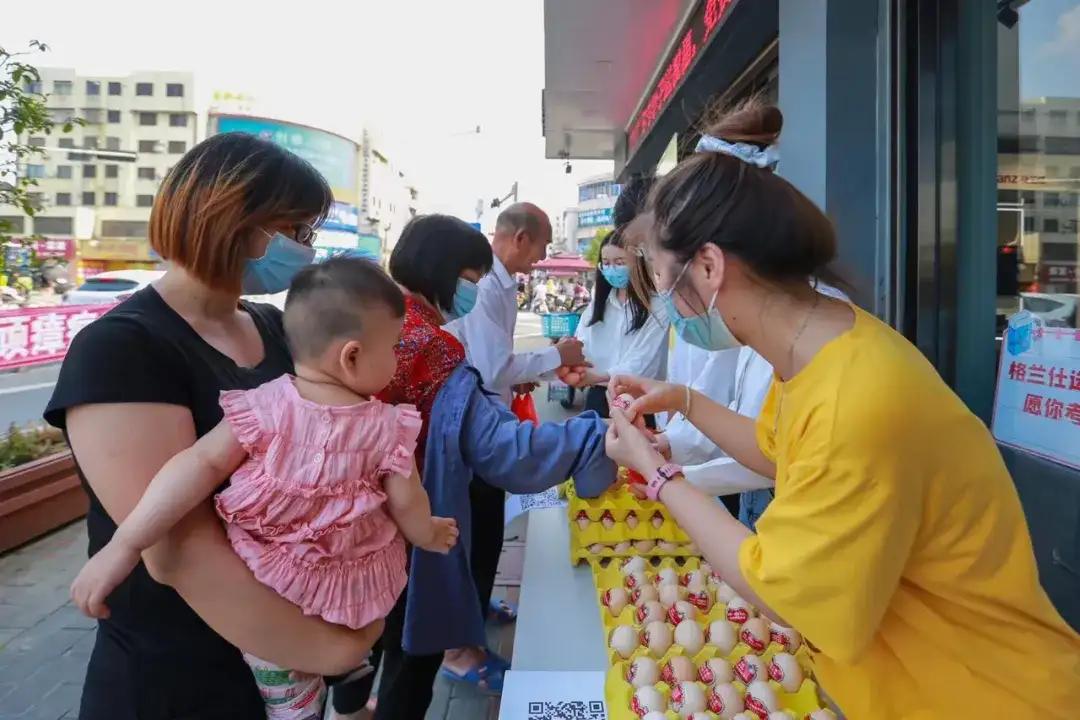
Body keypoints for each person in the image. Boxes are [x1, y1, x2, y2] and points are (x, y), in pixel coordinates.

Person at [603, 98, 1080, 718]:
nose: (664, 301)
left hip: (983, 693)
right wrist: (686, 402)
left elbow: (781, 590)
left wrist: (658, 474)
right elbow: (779, 454)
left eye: (664, 280)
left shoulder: (858, 396)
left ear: (711, 265)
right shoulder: (828, 346)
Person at [42, 133, 382, 720]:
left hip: (283, 664)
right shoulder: (122, 349)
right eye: (295, 230)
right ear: (236, 221)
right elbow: (178, 549)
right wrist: (334, 648)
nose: (304, 248)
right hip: (177, 681)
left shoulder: (275, 328)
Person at [66, 256, 459, 719]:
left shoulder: (265, 405)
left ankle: (307, 691)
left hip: (267, 578)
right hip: (347, 588)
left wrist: (125, 543)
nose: (396, 361)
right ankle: (338, 679)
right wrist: (430, 532)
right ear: (351, 356)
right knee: (340, 649)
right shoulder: (388, 427)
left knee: (286, 690)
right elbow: (407, 503)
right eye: (393, 347)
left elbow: (197, 464)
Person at [354, 214, 615, 719]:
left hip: (360, 533)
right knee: (412, 665)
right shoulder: (432, 347)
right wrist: (594, 437)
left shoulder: (371, 324)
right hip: (417, 528)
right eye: (470, 280)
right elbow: (504, 451)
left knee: (385, 653)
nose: (473, 291)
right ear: (444, 270)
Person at [443, 203, 586, 668]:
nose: (540, 259)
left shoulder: (503, 284)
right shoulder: (486, 287)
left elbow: (495, 366)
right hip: (477, 426)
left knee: (488, 527)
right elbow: (490, 367)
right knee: (479, 531)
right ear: (520, 238)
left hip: (488, 412)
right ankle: (462, 644)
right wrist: (553, 355)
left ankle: (475, 611)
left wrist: (521, 376)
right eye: (541, 247)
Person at [568, 188, 669, 426]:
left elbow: (643, 362)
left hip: (638, 402)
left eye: (620, 262)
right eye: (606, 263)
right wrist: (570, 359)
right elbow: (581, 343)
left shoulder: (658, 306)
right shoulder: (599, 304)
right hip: (597, 397)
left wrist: (598, 376)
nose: (612, 269)